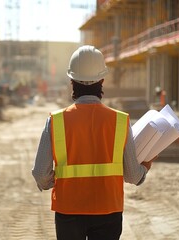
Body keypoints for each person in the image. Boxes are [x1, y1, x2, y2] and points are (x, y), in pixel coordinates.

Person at [32, 45, 155, 240]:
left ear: (72, 82)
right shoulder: (121, 121)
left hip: (69, 211)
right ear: (102, 81)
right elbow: (132, 175)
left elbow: (40, 173)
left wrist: (51, 182)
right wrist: (146, 166)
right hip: (108, 210)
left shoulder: (56, 121)